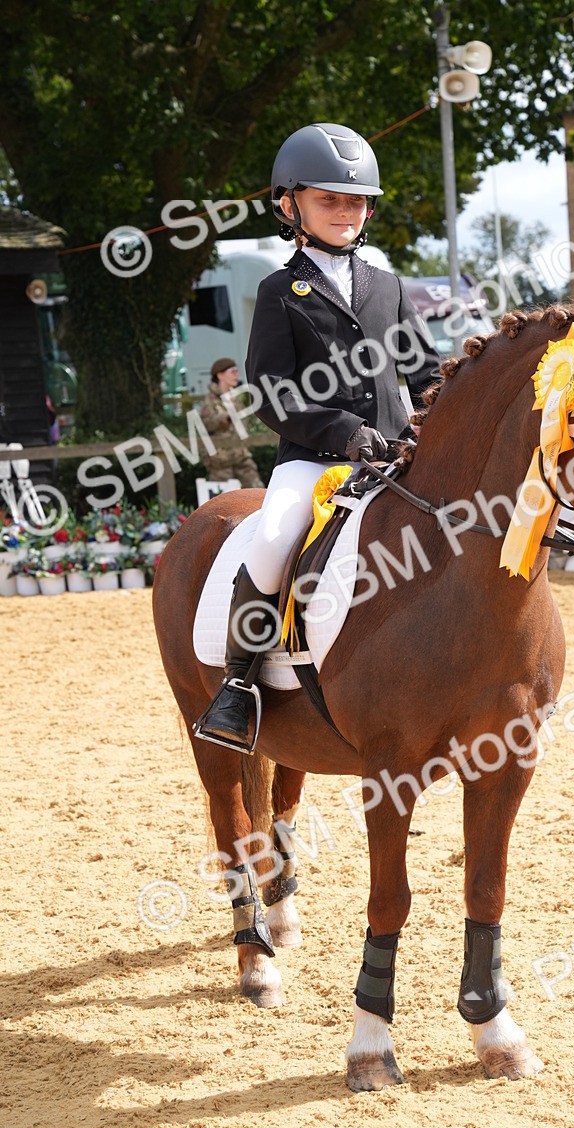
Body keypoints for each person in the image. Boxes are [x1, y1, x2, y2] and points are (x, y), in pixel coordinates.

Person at [195, 121, 440, 751]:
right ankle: (239, 684)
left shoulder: (387, 287)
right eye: (329, 199)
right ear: (290, 204)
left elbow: (427, 373)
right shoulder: (280, 292)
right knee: (274, 540)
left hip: (397, 458)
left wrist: (442, 417)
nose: (345, 212)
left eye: (355, 201)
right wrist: (348, 431)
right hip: (314, 461)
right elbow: (272, 390)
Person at [199, 359, 264, 488]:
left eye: (237, 371)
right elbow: (206, 425)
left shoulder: (236, 397)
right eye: (232, 372)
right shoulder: (210, 400)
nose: (237, 375)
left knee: (257, 492)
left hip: (241, 456)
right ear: (220, 375)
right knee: (222, 502)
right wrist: (224, 418)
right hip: (220, 462)